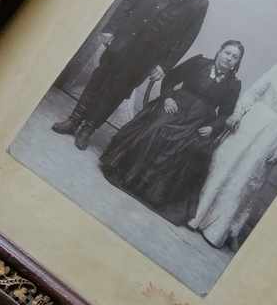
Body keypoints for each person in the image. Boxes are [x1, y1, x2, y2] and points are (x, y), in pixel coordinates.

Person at [52, 0, 215, 150]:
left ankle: (88, 128)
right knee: (99, 78)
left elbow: (186, 39)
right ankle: (74, 120)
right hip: (125, 39)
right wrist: (111, 29)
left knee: (118, 91)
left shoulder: (200, 3)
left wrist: (165, 66)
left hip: (148, 56)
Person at [189, 43, 277, 251]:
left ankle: (215, 230)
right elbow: (253, 93)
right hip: (252, 120)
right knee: (223, 163)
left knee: (244, 178)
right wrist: (238, 113)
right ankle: (195, 215)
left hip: (274, 135)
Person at [99, 41, 244, 224]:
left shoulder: (233, 85)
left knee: (190, 148)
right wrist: (167, 98)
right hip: (175, 106)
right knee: (156, 128)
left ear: (237, 62)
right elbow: (170, 79)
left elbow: (225, 113)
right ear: (219, 51)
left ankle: (156, 195)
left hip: (199, 120)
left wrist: (213, 127)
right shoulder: (198, 63)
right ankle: (131, 177)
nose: (229, 58)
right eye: (227, 53)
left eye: (234, 57)